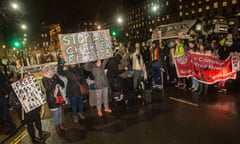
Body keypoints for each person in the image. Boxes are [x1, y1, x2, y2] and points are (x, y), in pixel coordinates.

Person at [42, 65, 68, 133]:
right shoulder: (44, 79)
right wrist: (55, 82)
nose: (53, 71)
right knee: (56, 113)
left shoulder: (55, 76)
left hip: (59, 97)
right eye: (52, 70)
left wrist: (59, 81)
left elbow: (62, 83)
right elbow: (48, 89)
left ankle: (60, 125)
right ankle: (57, 127)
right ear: (47, 71)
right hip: (52, 99)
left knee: (59, 112)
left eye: (53, 70)